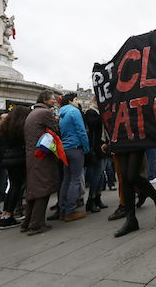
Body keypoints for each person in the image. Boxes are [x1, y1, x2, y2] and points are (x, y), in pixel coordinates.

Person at [23, 91, 61, 235]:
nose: (54, 101)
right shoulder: (45, 113)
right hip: (41, 155)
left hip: (32, 155)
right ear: (45, 100)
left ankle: (27, 222)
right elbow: (56, 129)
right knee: (42, 188)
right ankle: (36, 224)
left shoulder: (33, 113)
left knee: (33, 189)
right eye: (52, 99)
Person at [113, 149, 156, 238]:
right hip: (120, 139)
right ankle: (131, 219)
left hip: (136, 139)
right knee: (125, 177)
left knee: (132, 175)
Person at [0, 106, 31, 230]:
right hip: (18, 159)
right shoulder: (21, 127)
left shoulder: (6, 127)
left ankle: (5, 214)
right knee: (17, 187)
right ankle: (8, 216)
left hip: (8, 159)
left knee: (12, 187)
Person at [58, 93, 89, 222]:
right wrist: (86, 147)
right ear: (70, 101)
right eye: (76, 99)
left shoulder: (62, 114)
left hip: (65, 148)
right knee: (75, 179)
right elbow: (81, 130)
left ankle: (62, 209)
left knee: (66, 179)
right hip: (75, 147)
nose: (77, 102)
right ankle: (70, 211)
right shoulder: (74, 112)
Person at [83, 106, 109, 213]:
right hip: (96, 146)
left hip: (103, 145)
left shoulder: (99, 111)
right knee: (97, 173)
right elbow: (92, 124)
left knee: (101, 173)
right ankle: (91, 199)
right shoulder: (91, 112)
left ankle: (97, 197)